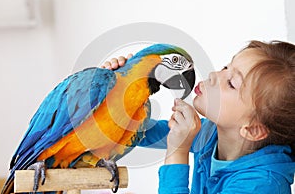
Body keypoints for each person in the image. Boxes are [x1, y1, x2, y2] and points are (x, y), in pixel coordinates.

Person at [101, 40, 295, 193]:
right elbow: (139, 131)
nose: (213, 75)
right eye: (226, 67)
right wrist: (116, 92)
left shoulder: (261, 186)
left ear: (252, 129)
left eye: (231, 83)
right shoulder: (210, 134)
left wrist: (177, 150)